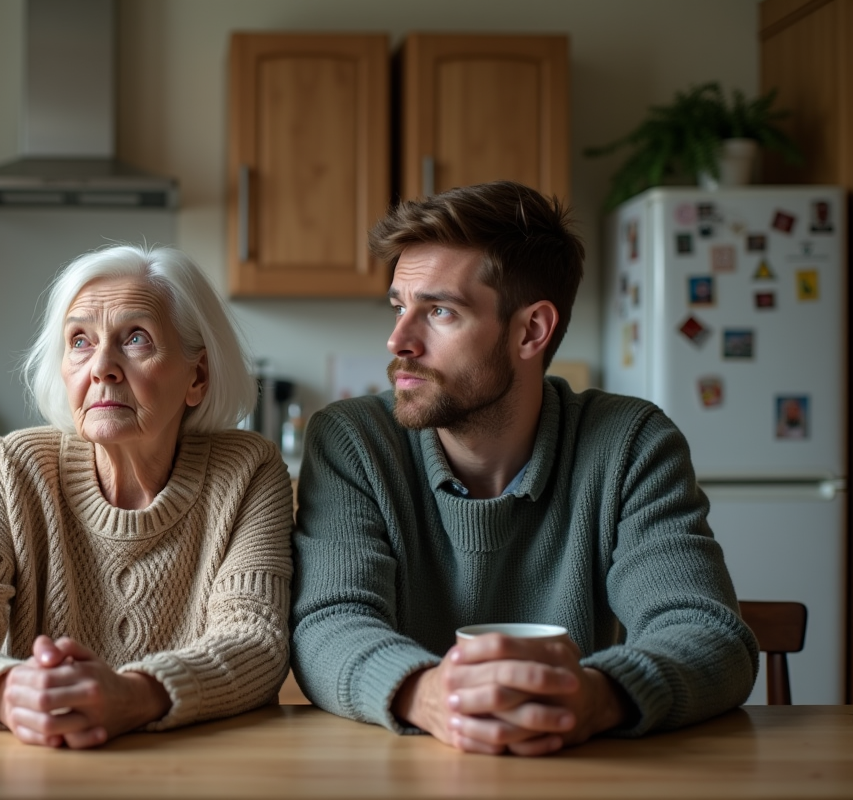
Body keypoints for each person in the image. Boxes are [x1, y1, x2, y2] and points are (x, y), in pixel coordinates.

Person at [290, 181, 758, 756]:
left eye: (439, 311)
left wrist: (595, 696)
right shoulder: (354, 440)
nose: (398, 340)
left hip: (581, 770)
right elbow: (329, 622)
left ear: (531, 330)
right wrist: (429, 693)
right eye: (398, 306)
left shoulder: (630, 443)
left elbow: (707, 632)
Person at [0, 244, 294, 748]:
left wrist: (133, 695)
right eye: (79, 341)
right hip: (44, 760)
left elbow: (256, 642)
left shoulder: (248, 471)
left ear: (197, 377)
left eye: (135, 339)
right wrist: (10, 692)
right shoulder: (15, 468)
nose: (101, 367)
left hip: (199, 766)